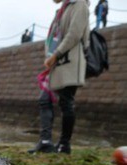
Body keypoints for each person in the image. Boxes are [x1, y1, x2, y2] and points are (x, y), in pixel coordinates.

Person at [29, 0, 90, 154]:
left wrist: (55, 55)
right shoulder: (62, 10)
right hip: (57, 63)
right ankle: (45, 141)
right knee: (45, 99)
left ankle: (64, 144)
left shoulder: (80, 4)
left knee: (66, 101)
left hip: (70, 61)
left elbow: (75, 34)